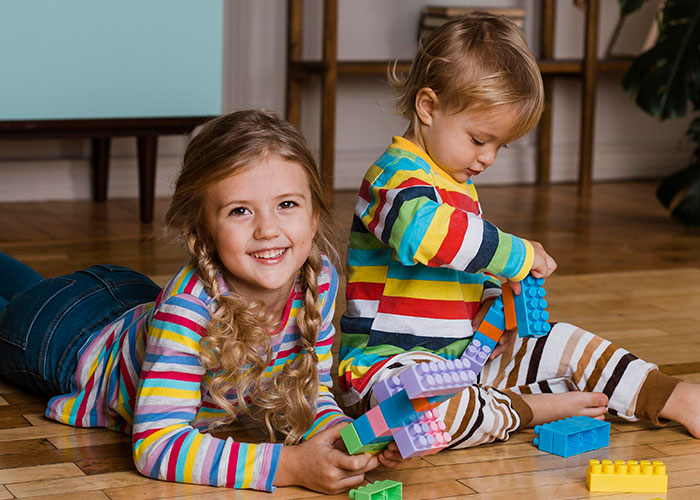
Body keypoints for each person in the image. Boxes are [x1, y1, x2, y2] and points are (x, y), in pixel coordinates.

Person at [338, 13, 700, 450]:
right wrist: (519, 253)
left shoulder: (458, 184)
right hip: (386, 369)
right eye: (478, 139)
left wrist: (494, 306)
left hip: (462, 358)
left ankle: (675, 397)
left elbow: (465, 275)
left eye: (499, 145)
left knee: (563, 342)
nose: (488, 157)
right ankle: (526, 409)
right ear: (428, 107)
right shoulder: (392, 180)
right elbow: (426, 235)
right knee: (423, 418)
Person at [0, 110, 400, 494]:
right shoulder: (188, 311)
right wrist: (290, 466)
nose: (267, 228)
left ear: (314, 215)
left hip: (129, 297)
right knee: (22, 298)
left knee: (32, 285)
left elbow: (310, 391)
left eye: (287, 204)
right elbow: (156, 446)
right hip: (61, 335)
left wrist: (343, 439)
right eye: (240, 210)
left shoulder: (319, 279)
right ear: (202, 231)